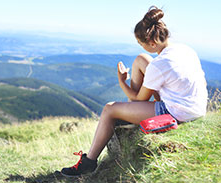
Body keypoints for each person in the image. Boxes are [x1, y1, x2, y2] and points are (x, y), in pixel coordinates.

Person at [61, 6, 208, 177]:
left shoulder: (159, 65)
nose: (140, 46)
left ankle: (88, 163)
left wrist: (122, 81)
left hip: (178, 113)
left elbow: (139, 99)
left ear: (152, 43)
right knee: (140, 59)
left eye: (141, 43)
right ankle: (130, 117)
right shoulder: (185, 50)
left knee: (109, 109)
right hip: (196, 108)